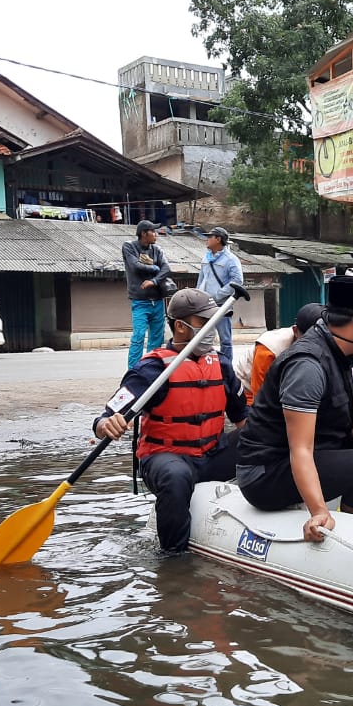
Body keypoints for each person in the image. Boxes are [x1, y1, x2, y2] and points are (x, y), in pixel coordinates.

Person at [236, 275, 353, 542]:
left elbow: (345, 414)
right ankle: (346, 538)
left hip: (318, 447)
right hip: (267, 471)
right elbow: (300, 448)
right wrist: (318, 510)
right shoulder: (308, 366)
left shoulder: (343, 352)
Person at [94, 288, 249, 554]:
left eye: (216, 321)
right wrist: (106, 424)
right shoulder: (151, 369)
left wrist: (263, 445)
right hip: (166, 457)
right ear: (180, 326)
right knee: (176, 477)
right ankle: (173, 560)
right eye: (206, 322)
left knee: (265, 436)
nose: (213, 330)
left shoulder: (221, 364)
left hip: (213, 454)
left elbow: (242, 420)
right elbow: (106, 416)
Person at [232, 303, 323, 404]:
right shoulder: (269, 348)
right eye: (308, 339)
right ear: (295, 331)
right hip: (247, 392)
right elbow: (260, 395)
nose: (314, 345)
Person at [124, 219, 172, 370]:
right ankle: (133, 370)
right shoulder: (129, 247)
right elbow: (135, 266)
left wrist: (155, 281)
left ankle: (150, 369)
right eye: (153, 231)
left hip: (157, 301)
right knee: (138, 337)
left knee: (156, 338)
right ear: (144, 234)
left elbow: (167, 268)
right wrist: (156, 268)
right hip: (140, 301)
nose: (156, 234)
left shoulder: (156, 250)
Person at [196, 226, 244, 361]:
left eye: (210, 237)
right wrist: (197, 295)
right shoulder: (206, 258)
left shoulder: (231, 259)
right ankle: (204, 366)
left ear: (218, 239)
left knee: (225, 340)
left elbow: (237, 281)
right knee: (201, 338)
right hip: (204, 305)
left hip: (222, 305)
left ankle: (227, 368)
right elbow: (201, 279)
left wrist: (218, 295)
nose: (207, 240)